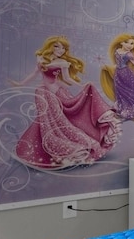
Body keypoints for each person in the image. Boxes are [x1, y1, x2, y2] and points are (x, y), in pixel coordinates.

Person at [9, 35, 120, 169]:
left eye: (63, 48)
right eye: (57, 46)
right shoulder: (41, 59)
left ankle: (76, 145)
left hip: (57, 92)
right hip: (42, 93)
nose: (60, 50)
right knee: (44, 121)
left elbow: (67, 79)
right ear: (50, 46)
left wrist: (82, 85)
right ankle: (39, 149)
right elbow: (34, 74)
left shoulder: (63, 63)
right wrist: (20, 83)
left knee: (61, 120)